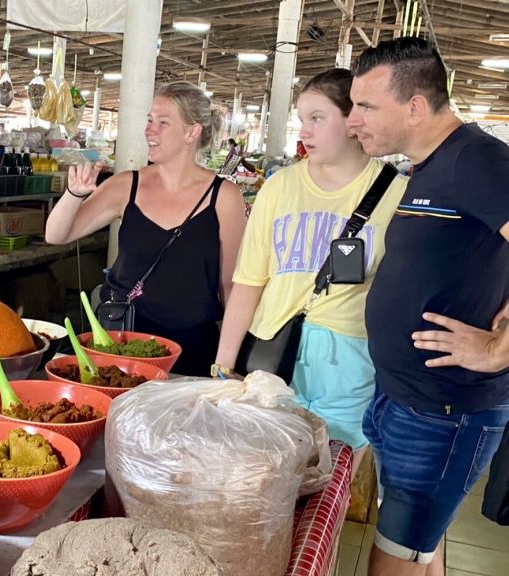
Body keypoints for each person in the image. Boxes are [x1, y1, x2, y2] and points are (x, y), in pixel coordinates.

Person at [346, 36, 509, 576]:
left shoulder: (478, 161)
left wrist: (499, 347)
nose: (353, 119)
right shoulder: (430, 167)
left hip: (445, 416)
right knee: (421, 554)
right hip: (408, 401)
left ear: (415, 106)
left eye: (365, 105)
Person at [212, 68, 407, 473]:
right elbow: (248, 283)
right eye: (301, 120)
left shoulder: (397, 194)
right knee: (262, 475)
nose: (305, 131)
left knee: (328, 479)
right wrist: (223, 366)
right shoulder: (280, 188)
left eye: (317, 118)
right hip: (273, 354)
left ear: (354, 121)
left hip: (350, 362)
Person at [44, 81, 246, 375]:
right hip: (122, 340)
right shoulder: (128, 185)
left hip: (192, 348)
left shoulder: (224, 197)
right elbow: (56, 235)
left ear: (192, 132)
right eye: (150, 120)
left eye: (163, 123)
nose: (150, 130)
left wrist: (228, 361)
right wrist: (74, 194)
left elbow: (230, 286)